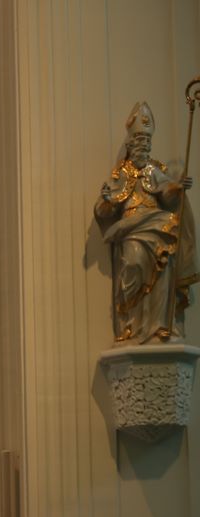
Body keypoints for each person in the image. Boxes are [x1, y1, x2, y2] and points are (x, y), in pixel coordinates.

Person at [94, 101, 195, 344]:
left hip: (157, 224)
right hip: (131, 229)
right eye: (139, 142)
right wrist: (108, 200)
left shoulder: (154, 170)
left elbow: (167, 194)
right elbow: (105, 210)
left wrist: (178, 187)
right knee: (133, 263)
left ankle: (160, 326)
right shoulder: (121, 174)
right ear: (130, 144)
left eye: (147, 143)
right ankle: (133, 325)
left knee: (164, 269)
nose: (143, 147)